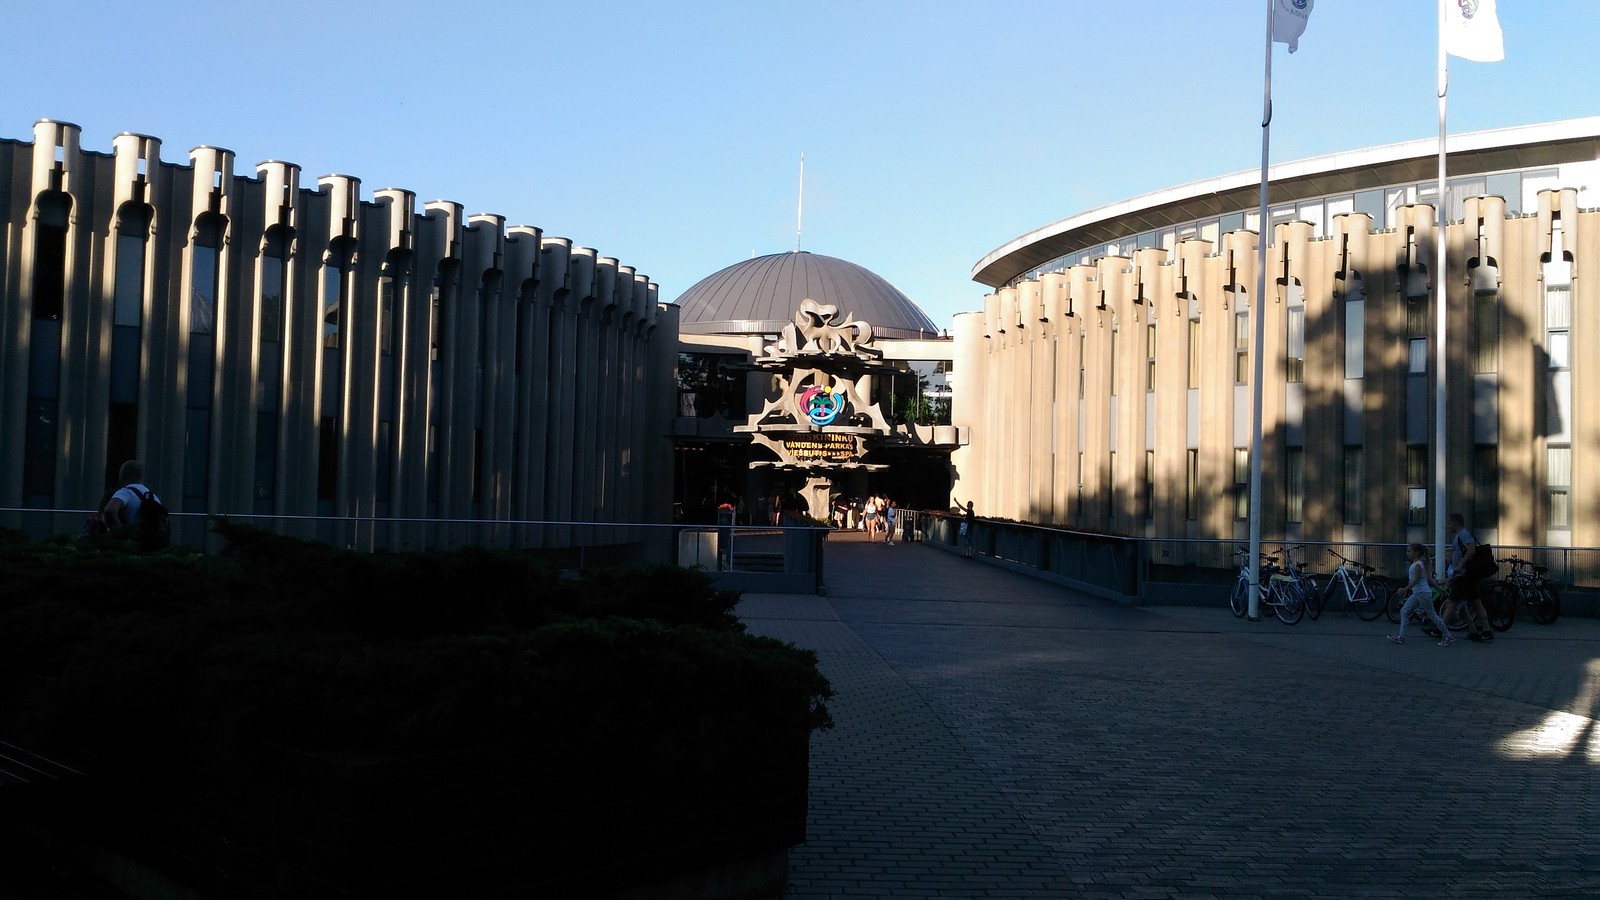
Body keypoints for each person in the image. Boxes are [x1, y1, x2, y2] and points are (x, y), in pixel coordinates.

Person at [1433, 512, 1494, 643]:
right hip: (1466, 576)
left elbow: (1471, 550)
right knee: (1476, 603)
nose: (1448, 526)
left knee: (1451, 602)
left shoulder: (1463, 534)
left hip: (1464, 576)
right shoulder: (1459, 536)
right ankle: (1486, 630)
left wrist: (1460, 565)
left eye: (1449, 523)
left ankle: (1441, 630)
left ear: (1455, 523)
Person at [1389, 543, 1453, 646]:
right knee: (1404, 611)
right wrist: (1439, 588)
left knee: (1432, 615)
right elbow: (1428, 579)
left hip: (1421, 593)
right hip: (1419, 593)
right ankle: (1401, 636)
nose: (1407, 553)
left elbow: (1416, 580)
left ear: (1416, 553)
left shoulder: (1418, 565)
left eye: (1409, 551)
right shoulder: (1418, 564)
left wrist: (1405, 589)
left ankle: (1448, 636)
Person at [101, 459, 163, 545]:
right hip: (149, 544)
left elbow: (110, 510)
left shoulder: (126, 492)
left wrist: (118, 532)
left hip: (130, 543)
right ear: (141, 476)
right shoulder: (153, 497)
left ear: (121, 476)